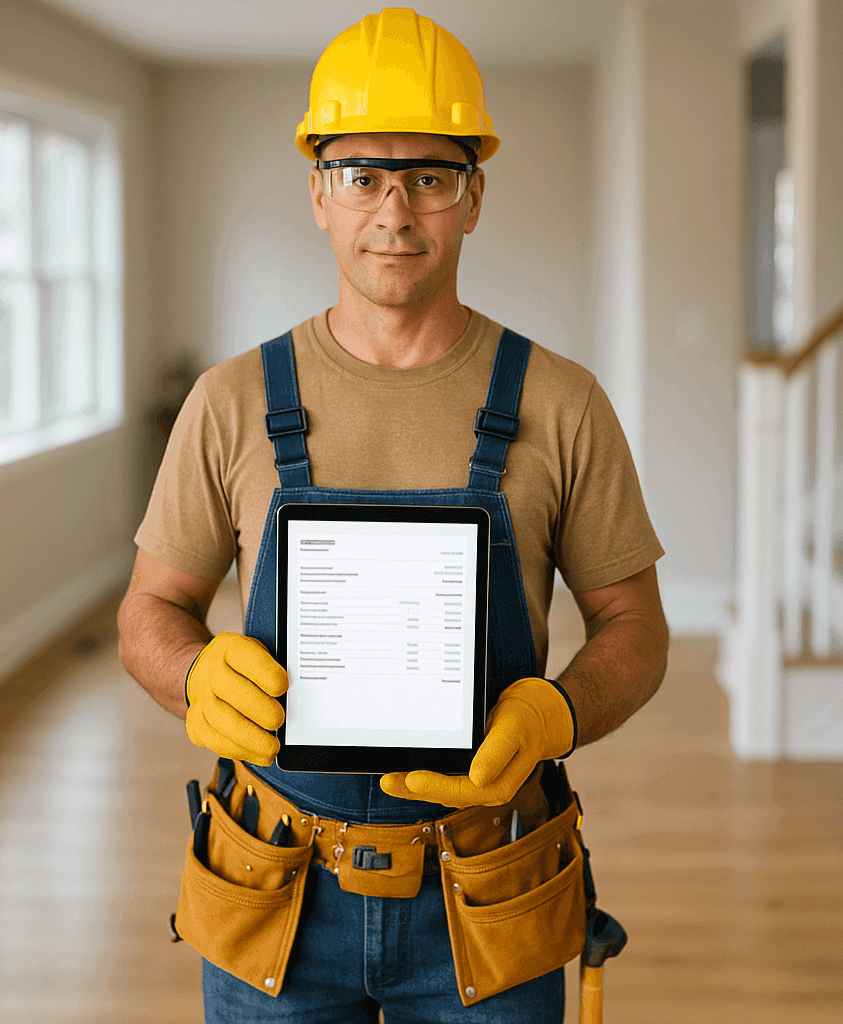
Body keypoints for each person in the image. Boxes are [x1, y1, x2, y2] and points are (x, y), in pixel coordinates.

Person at [118, 8, 668, 1022]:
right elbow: (149, 608)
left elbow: (636, 628)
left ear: (474, 196)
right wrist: (189, 670)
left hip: (489, 884)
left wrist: (561, 711)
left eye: (430, 176)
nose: (395, 211)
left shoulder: (562, 401)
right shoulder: (230, 400)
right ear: (319, 192)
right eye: (363, 174)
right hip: (272, 881)